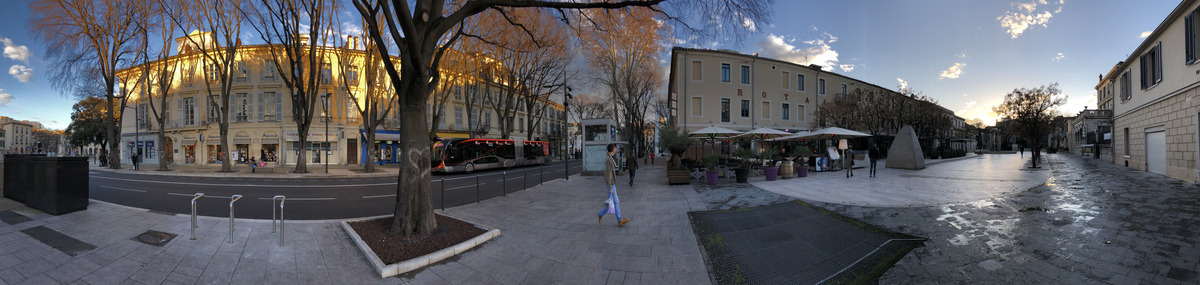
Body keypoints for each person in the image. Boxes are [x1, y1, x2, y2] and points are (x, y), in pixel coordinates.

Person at [598, 144, 630, 227]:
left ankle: (618, 219)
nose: (616, 149)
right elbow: (608, 174)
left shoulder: (610, 157)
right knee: (612, 203)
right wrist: (610, 187)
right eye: (615, 148)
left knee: (614, 202)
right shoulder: (609, 159)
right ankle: (617, 219)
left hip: (612, 184)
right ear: (612, 149)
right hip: (611, 184)